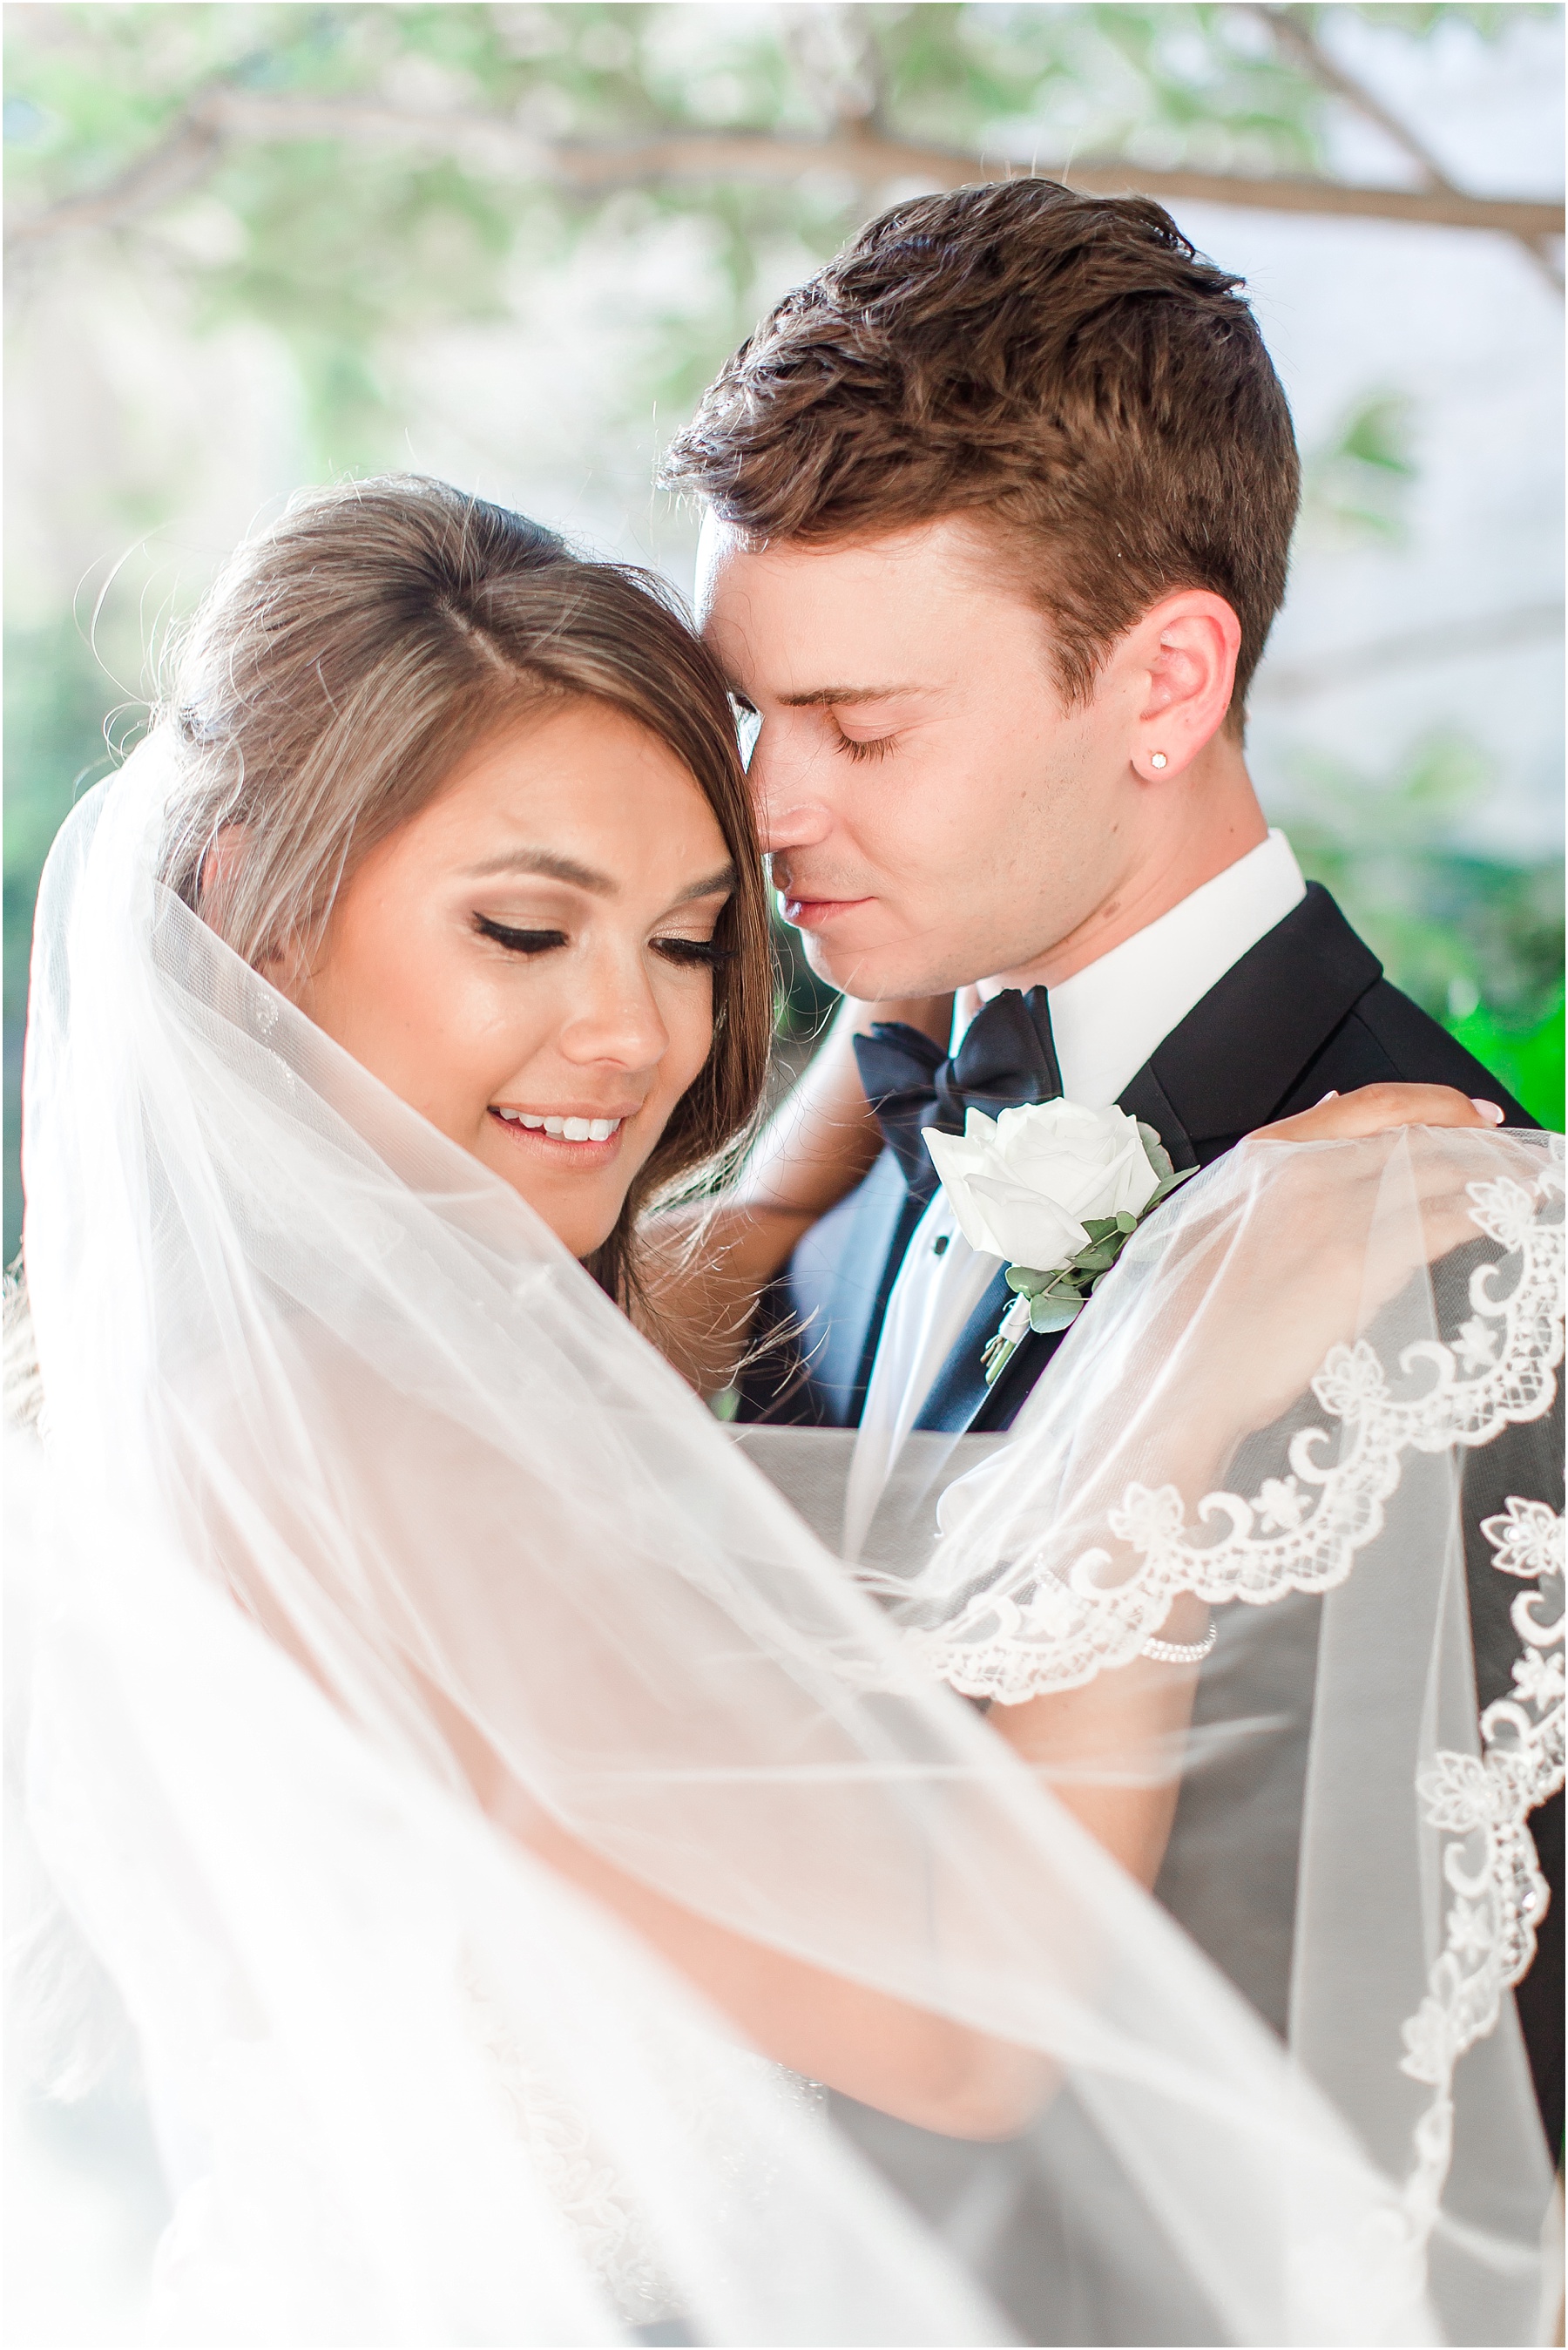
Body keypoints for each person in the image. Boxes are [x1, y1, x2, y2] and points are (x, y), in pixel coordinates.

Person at [8, 474, 1558, 2347]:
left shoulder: (181, 1353)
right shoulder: (360, 1440)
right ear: (251, 896)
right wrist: (1185, 1374)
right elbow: (969, 2018)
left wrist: (818, 1134)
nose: (635, 1037)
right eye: (522, 929)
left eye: (681, 939)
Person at [660, 177, 1563, 2153]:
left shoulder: (1475, 1266)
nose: (763, 805)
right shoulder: (873, 1117)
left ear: (1164, 683)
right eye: (744, 707)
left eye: (857, 725)